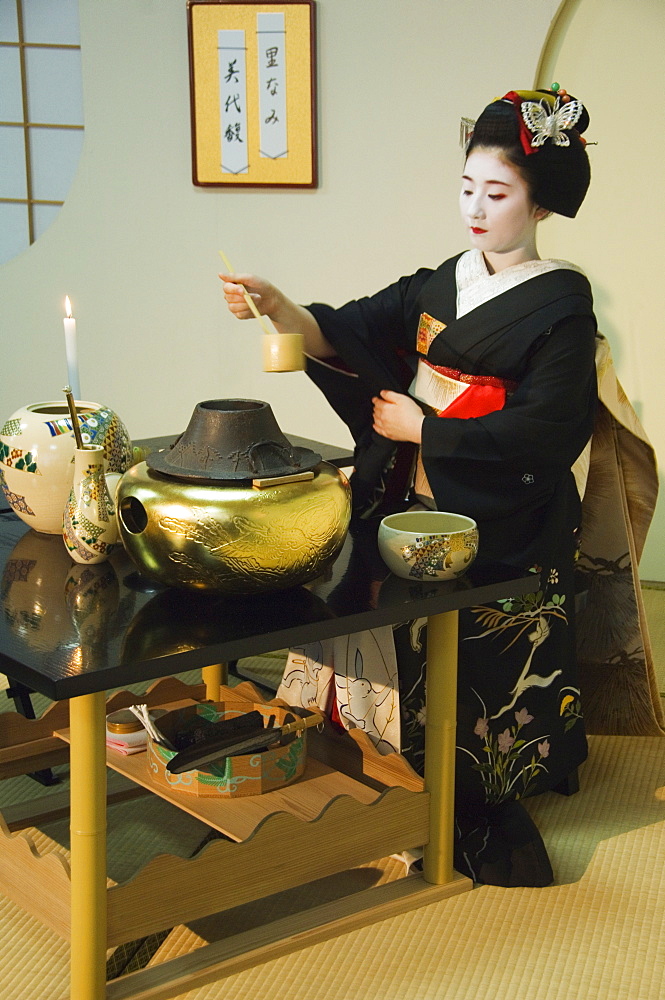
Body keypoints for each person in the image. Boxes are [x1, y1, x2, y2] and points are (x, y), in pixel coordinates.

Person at [219, 87, 649, 887]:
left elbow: (550, 431)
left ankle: (478, 780)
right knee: (355, 583)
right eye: (466, 189)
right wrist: (280, 308)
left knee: (479, 643)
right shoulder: (439, 283)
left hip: (502, 508)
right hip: (411, 492)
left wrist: (430, 433)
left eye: (497, 194)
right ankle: (370, 756)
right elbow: (345, 331)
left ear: (537, 202)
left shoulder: (562, 303)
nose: (476, 210)